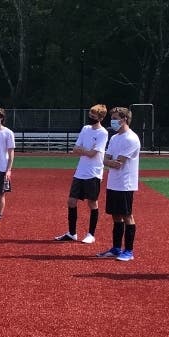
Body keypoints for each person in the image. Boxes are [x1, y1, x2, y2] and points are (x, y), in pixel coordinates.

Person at [54, 104, 108, 244]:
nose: (90, 118)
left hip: (94, 172)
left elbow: (92, 154)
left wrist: (83, 150)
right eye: (90, 115)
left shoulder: (103, 133)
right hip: (80, 171)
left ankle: (91, 234)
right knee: (71, 201)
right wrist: (85, 150)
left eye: (93, 116)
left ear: (101, 117)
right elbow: (75, 149)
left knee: (92, 203)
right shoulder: (85, 129)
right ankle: (72, 233)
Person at [97, 107, 140, 261]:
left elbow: (118, 163)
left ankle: (129, 251)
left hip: (125, 183)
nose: (113, 121)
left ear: (124, 119)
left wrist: (109, 161)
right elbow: (106, 159)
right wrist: (109, 161)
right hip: (113, 183)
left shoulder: (131, 138)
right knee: (115, 216)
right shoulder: (115, 138)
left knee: (127, 215)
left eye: (115, 118)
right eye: (112, 118)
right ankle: (116, 248)